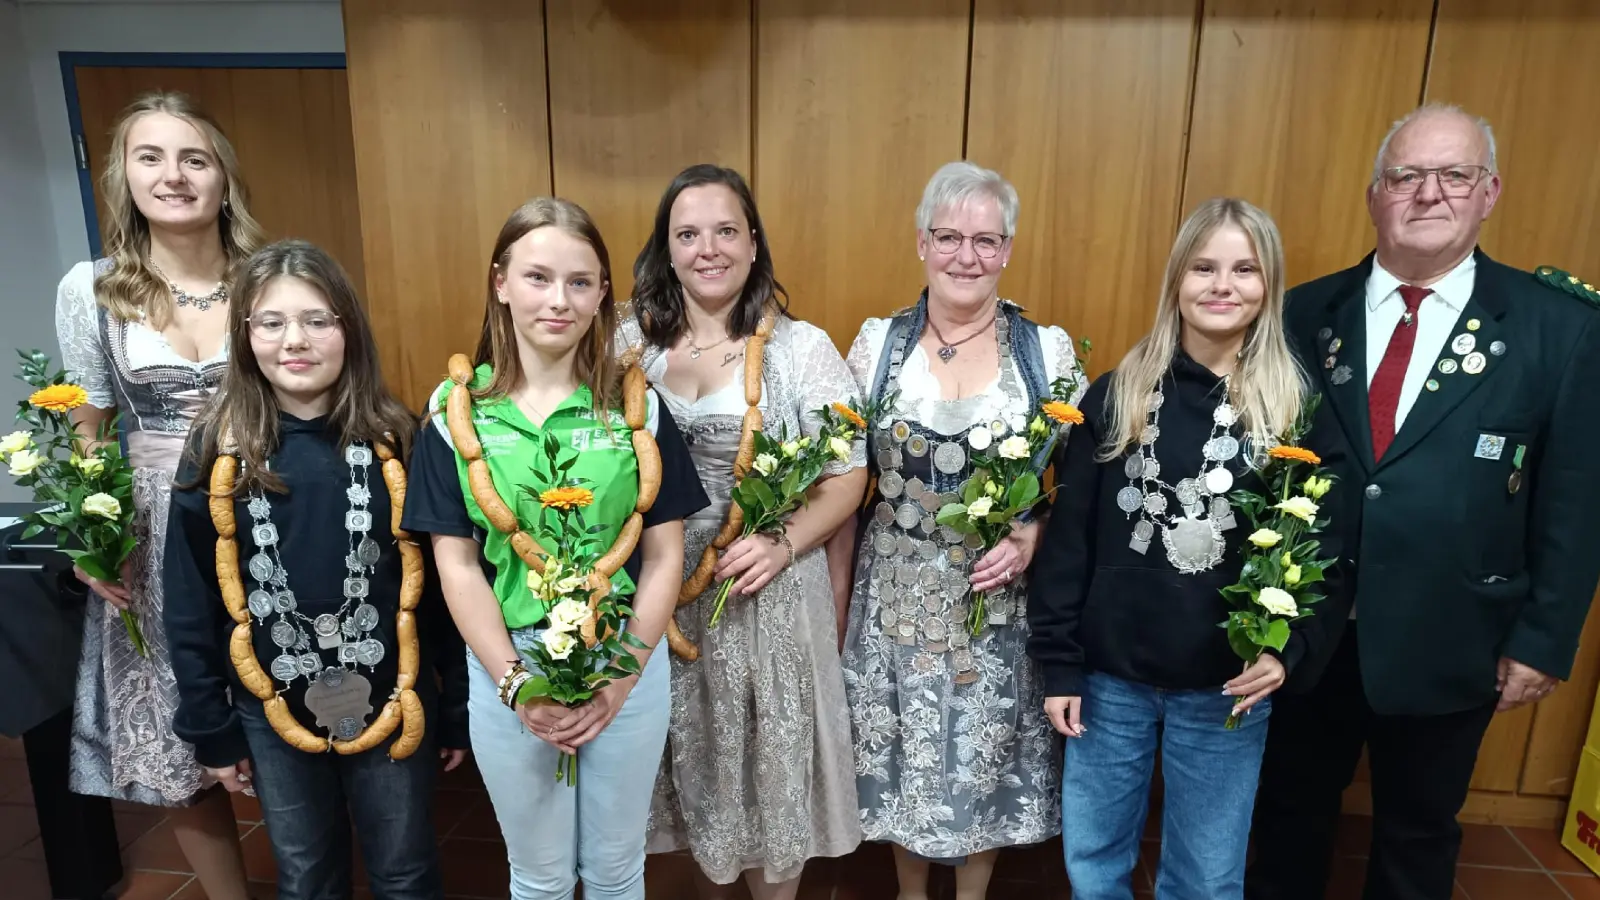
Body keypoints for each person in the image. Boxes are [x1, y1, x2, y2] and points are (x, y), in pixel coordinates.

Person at [1246, 104, 1600, 900]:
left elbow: (1576, 501)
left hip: (1455, 638)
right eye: (1406, 176)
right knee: (1289, 820)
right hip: (1304, 634)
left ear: (1489, 192)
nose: (1428, 194)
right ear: (1376, 194)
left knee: (1418, 835)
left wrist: (1544, 639)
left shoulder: (1559, 328)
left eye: (1454, 175)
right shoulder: (1303, 314)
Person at [1028, 198, 1348, 898]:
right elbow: (1068, 545)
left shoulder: (1293, 409)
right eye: (1203, 267)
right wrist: (1059, 663)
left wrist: (1284, 649)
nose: (1221, 285)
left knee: (1205, 875)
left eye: (1244, 269)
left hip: (1225, 685)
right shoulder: (1119, 395)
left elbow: (1324, 549)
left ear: (1270, 286)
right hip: (1109, 680)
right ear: (1176, 280)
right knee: (1095, 859)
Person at [403, 197, 709, 900]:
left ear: (603, 292)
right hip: (509, 663)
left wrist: (624, 675)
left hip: (623, 658)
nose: (559, 301)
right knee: (538, 876)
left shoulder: (637, 409)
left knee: (615, 869)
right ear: (500, 282)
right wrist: (517, 685)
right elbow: (458, 566)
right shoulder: (456, 416)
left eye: (580, 282)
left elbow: (664, 556)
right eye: (538, 278)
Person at [162, 240, 469, 899]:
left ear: (348, 329)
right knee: (305, 874)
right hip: (270, 711)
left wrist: (457, 705)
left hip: (395, 694)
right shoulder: (217, 449)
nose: (293, 340)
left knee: (406, 867)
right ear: (245, 336)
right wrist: (209, 728)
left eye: (317, 320)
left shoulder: (400, 438)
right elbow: (189, 600)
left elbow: (442, 589)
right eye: (271, 322)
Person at [839, 161, 1083, 900]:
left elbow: (1080, 487)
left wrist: (1036, 533)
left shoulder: (1046, 354)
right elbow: (845, 479)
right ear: (922, 242)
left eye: (986, 240)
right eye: (949, 237)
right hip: (895, 597)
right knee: (907, 753)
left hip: (995, 604)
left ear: (1007, 249)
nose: (966, 257)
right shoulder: (877, 344)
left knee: (982, 756)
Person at [622, 164, 865, 899]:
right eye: (687, 234)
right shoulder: (624, 345)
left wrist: (786, 540)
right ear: (666, 251)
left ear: (753, 244)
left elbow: (848, 474)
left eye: (726, 231)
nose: (708, 249)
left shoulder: (800, 350)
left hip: (763, 593)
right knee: (690, 773)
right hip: (659, 593)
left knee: (767, 784)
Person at [53, 89, 264, 900]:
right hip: (153, 532)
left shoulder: (266, 276)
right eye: (151, 156)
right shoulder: (93, 289)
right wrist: (91, 537)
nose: (172, 176)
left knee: (282, 708)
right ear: (123, 175)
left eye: (194, 158)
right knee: (182, 743)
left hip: (262, 509)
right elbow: (86, 429)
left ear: (222, 177)